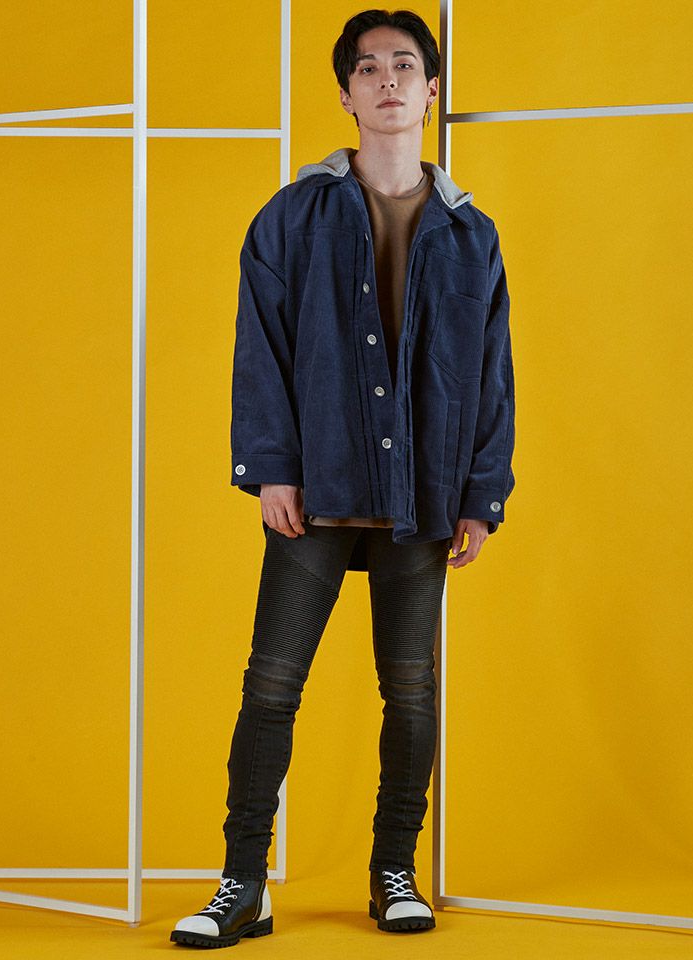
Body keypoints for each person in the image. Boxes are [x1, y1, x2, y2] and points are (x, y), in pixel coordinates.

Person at [171, 7, 515, 949]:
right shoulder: (291, 216)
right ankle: (243, 882)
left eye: (405, 66)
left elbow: (493, 371)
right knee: (270, 686)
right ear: (345, 94)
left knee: (411, 690)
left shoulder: (471, 232)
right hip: (316, 486)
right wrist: (271, 470)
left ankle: (393, 870)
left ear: (432, 91)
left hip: (424, 495)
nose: (388, 80)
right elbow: (260, 349)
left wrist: (482, 494)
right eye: (368, 69)